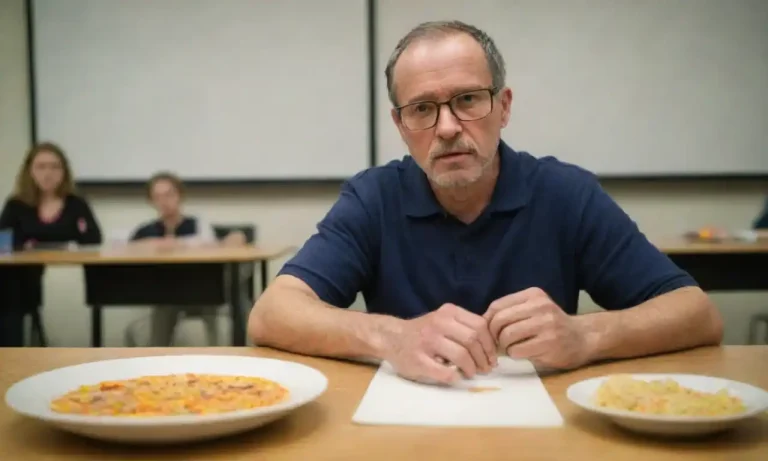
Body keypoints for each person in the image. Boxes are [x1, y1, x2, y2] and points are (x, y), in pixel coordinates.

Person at [247, 21, 723, 384]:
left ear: (504, 107)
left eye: (468, 99)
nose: (449, 127)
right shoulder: (373, 198)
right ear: (400, 126)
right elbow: (272, 313)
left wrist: (586, 336)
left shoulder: (565, 193)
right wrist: (393, 337)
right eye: (422, 109)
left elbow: (694, 312)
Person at [0, 142, 102, 346]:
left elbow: (94, 238)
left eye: (55, 167)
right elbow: (3, 243)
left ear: (64, 171)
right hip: (20, 277)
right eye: (41, 166)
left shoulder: (76, 203)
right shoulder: (16, 204)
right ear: (29, 171)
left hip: (65, 274)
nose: (48, 173)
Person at [127, 172, 245, 346]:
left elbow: (230, 240)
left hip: (203, 292)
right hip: (167, 294)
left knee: (215, 310)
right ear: (151, 201)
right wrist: (156, 244)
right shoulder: (148, 231)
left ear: (180, 196)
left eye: (169, 195)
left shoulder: (197, 225)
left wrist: (181, 244)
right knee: (161, 312)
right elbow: (128, 248)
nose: (164, 201)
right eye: (157, 197)